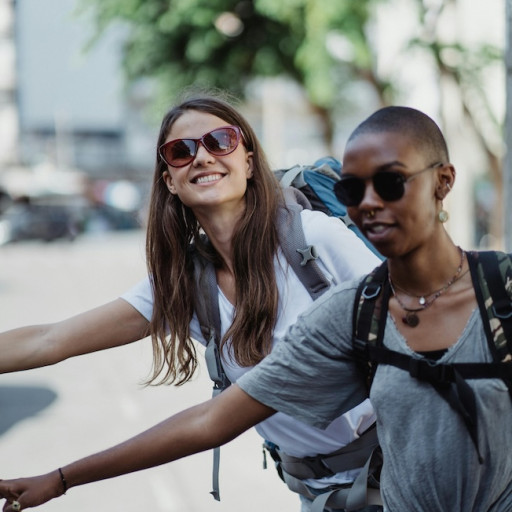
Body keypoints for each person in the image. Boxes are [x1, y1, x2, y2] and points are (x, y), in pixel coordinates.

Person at [0, 93, 382, 512]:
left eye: (220, 141)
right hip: (321, 496)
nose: (202, 157)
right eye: (180, 151)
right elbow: (49, 340)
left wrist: (61, 479)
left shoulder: (313, 239)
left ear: (249, 162)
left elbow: (416, 333)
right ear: (169, 181)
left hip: (401, 471)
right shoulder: (186, 283)